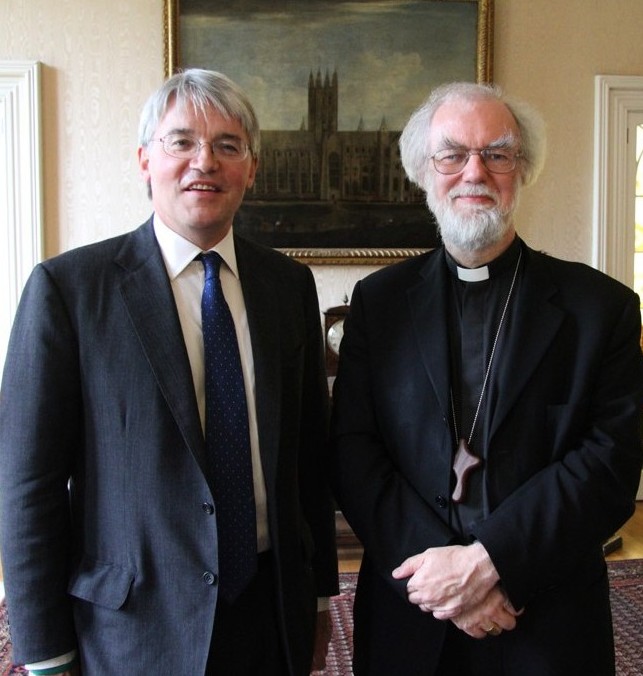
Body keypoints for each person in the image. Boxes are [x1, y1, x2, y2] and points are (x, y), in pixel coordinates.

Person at [0, 68, 338, 676]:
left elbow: (307, 459)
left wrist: (316, 599)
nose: (203, 161)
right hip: (133, 627)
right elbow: (27, 485)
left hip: (268, 613)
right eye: (181, 141)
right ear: (144, 159)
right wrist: (44, 652)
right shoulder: (69, 290)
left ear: (251, 169)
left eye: (227, 146)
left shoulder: (289, 287)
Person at [330, 81, 643, 676]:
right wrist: (438, 577)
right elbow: (353, 450)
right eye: (453, 154)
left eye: (496, 154)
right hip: (411, 611)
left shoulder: (599, 308)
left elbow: (610, 463)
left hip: (545, 618)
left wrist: (492, 562)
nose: (474, 171)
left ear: (522, 170)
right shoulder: (379, 303)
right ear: (424, 171)